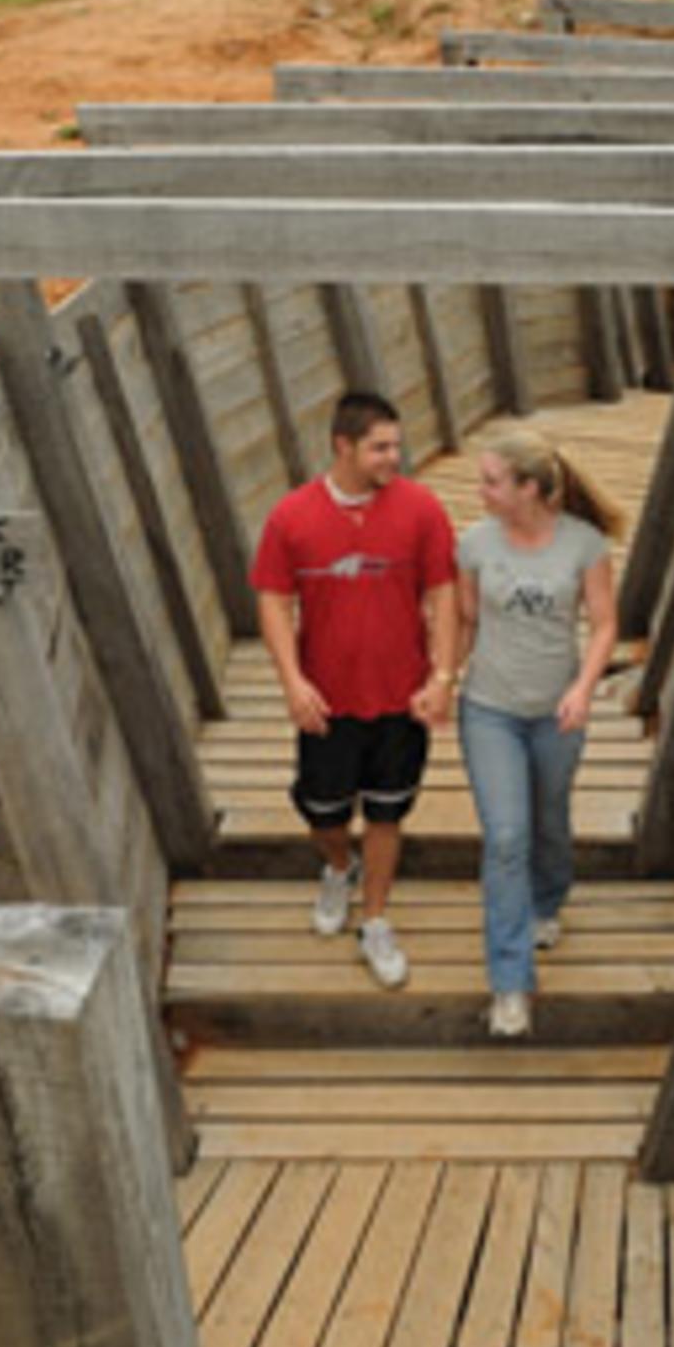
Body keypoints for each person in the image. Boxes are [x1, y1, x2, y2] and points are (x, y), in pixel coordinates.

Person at [251, 392, 457, 988]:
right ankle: (339, 867)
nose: (395, 456)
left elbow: (443, 593)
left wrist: (442, 676)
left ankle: (375, 919)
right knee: (323, 812)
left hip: (403, 698)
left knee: (389, 810)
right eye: (380, 447)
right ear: (343, 446)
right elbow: (273, 599)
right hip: (328, 701)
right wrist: (292, 682)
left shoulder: (421, 510)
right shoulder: (290, 517)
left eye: (396, 444)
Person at [455, 427, 621, 1038]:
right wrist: (441, 677)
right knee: (504, 836)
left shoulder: (584, 545)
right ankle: (511, 984)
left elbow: (604, 625)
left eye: (492, 481)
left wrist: (582, 688)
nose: (482, 491)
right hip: (489, 710)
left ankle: (549, 899)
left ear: (529, 488)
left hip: (556, 713)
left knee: (549, 818)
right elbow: (466, 619)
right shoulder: (473, 543)